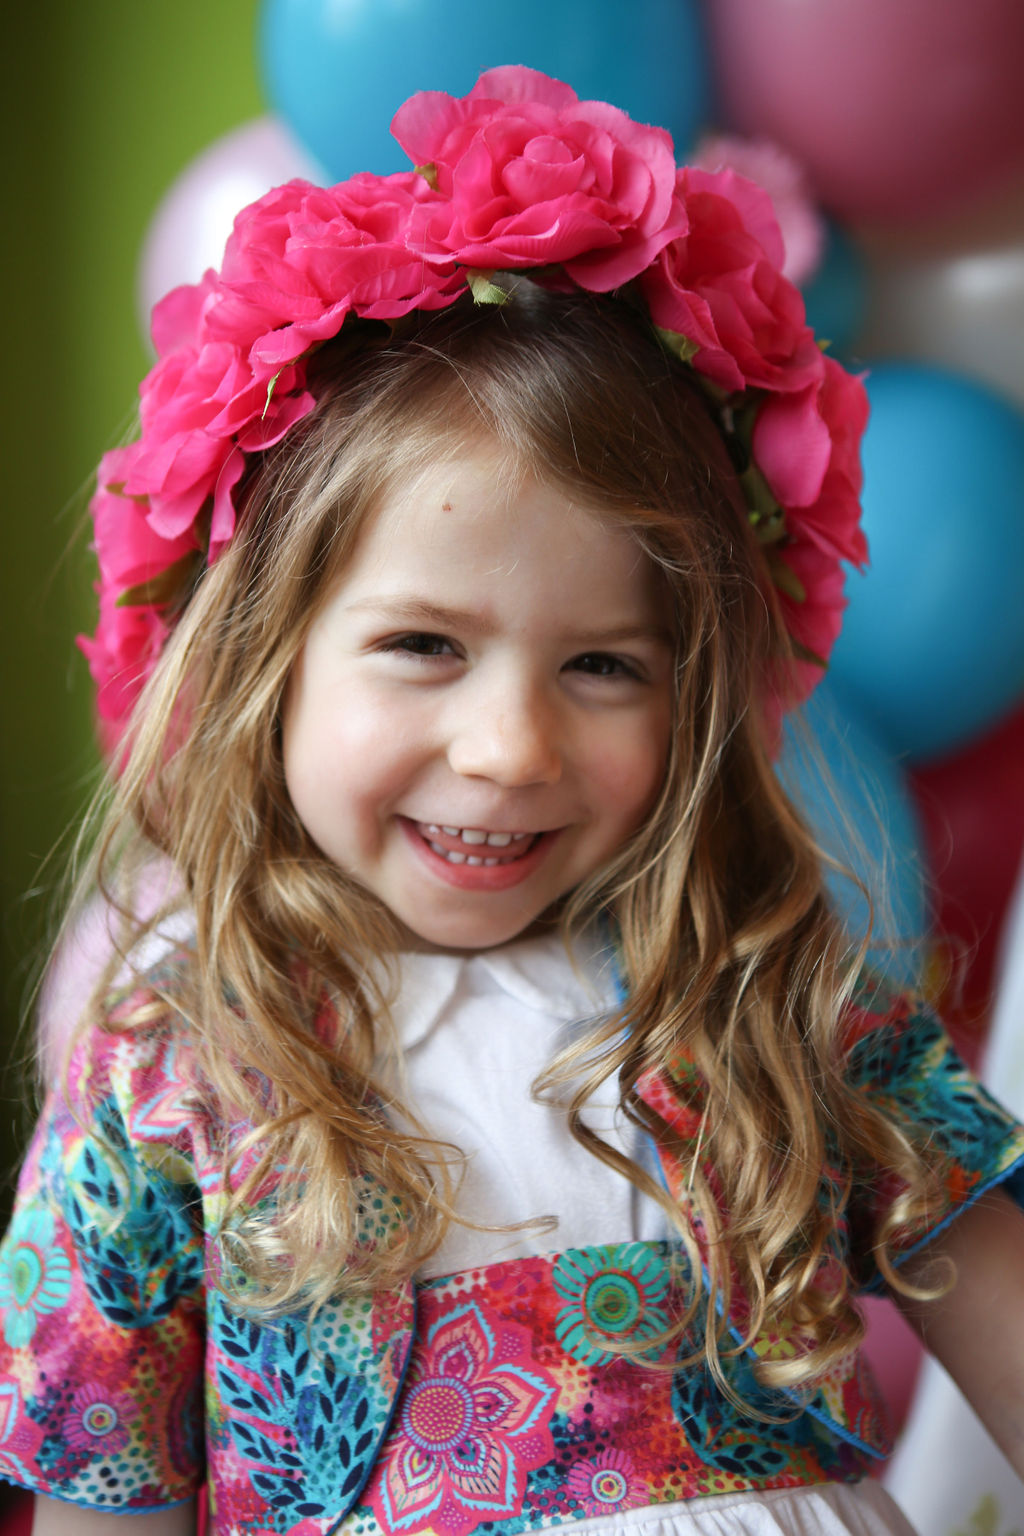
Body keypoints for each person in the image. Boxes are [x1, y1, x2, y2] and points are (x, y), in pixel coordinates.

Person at [1, 66, 1022, 1536]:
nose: (509, 748)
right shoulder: (178, 1080)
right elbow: (105, 1498)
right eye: (425, 646)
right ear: (265, 663)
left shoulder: (783, 1010)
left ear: (697, 694)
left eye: (605, 663)